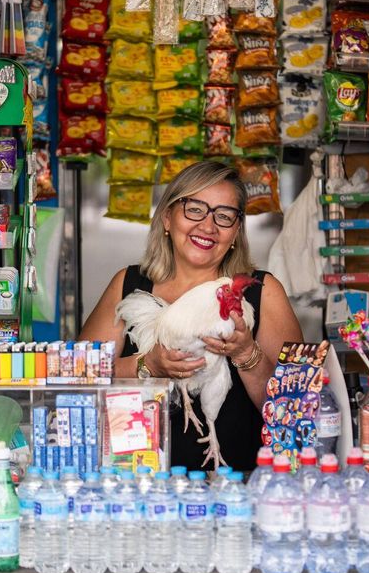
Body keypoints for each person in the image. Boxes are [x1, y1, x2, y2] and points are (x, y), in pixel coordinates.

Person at [80, 161, 303, 472]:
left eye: (224, 216)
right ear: (168, 217)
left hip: (240, 485)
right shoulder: (127, 284)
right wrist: (147, 365)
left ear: (236, 230)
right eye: (195, 209)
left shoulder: (262, 293)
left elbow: (296, 413)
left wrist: (246, 354)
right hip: (137, 484)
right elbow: (77, 380)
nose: (208, 226)